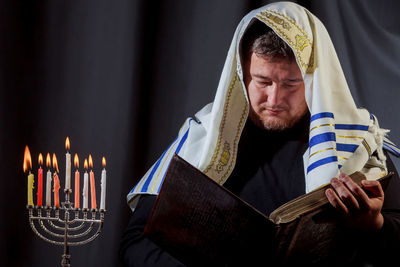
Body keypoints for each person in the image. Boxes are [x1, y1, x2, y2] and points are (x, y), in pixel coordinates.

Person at [120, 2, 400, 266]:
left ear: (314, 81)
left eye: (291, 83)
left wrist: (373, 225)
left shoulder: (358, 146)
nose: (274, 98)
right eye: (263, 81)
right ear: (242, 74)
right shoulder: (202, 141)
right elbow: (136, 243)